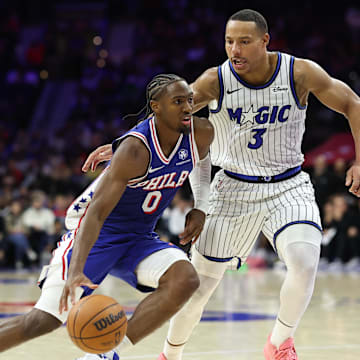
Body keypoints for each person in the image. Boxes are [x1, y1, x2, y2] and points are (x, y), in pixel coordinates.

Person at [83, 9, 360, 360]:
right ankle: (171, 354)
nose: (235, 50)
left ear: (264, 41)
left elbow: (353, 103)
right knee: (197, 289)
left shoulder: (299, 72)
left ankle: (279, 343)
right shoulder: (216, 80)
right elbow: (168, 115)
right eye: (229, 41)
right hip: (232, 190)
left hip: (289, 185)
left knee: (304, 263)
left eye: (244, 42)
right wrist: (124, 142)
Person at [0, 74, 214, 360]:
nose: (188, 107)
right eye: (178, 102)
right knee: (44, 319)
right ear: (156, 107)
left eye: (189, 100)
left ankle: (106, 354)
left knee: (185, 279)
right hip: (97, 233)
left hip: (139, 238)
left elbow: (201, 161)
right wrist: (76, 270)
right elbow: (96, 213)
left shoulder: (201, 132)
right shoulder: (135, 150)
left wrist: (201, 205)